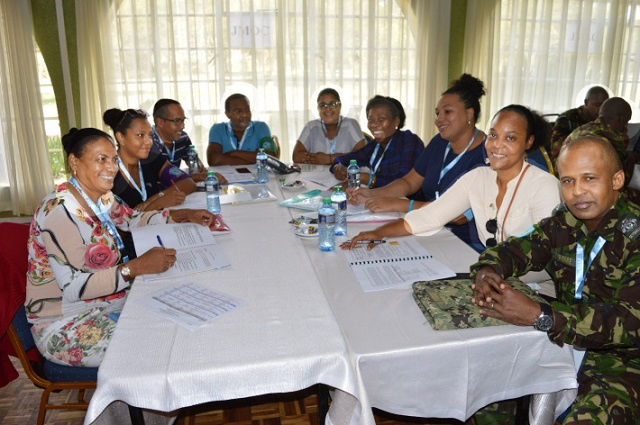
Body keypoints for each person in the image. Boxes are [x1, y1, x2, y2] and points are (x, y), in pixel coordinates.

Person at [470, 136, 640, 423]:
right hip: (561, 344)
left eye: (589, 178)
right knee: (487, 390)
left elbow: (631, 322)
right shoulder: (565, 222)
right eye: (567, 181)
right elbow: (516, 248)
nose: (578, 192)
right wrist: (488, 271)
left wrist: (542, 315)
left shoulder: (634, 236)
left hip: (622, 361)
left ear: (617, 180)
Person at [25, 127, 216, 367]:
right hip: (65, 323)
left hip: (107, 303)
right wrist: (134, 268)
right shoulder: (61, 212)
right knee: (160, 346)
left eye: (114, 159)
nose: (112, 167)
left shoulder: (100, 196)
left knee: (181, 317)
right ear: (74, 161)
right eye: (101, 160)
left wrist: (182, 215)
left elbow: (132, 219)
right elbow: (74, 288)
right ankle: (129, 402)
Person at [343, 105, 560, 251]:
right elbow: (430, 216)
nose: (497, 145)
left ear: (529, 142)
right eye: (493, 135)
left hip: (533, 286)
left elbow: (545, 253)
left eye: (510, 138)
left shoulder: (545, 186)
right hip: (495, 275)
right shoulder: (478, 177)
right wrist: (377, 233)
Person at [347, 74, 488, 248]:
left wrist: (401, 204)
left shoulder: (487, 156)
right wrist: (371, 194)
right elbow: (410, 181)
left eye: (447, 112)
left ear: (469, 113)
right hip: (426, 228)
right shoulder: (440, 142)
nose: (439, 119)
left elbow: (457, 216)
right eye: (437, 113)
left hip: (462, 243)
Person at [103, 108, 197, 211]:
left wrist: (156, 199)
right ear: (121, 137)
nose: (149, 142)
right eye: (140, 135)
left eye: (150, 135)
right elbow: (119, 220)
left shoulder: (151, 159)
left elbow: (188, 182)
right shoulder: (108, 172)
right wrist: (157, 204)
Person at [330, 95, 424, 189]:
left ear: (396, 121)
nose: (374, 124)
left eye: (381, 119)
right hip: (379, 197)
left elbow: (404, 183)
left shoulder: (409, 141)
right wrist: (337, 167)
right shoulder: (375, 145)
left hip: (408, 201)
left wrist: (365, 178)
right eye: (371, 120)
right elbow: (347, 158)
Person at [151, 98, 227, 184]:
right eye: (177, 121)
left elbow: (194, 162)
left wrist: (204, 171)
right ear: (160, 122)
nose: (182, 126)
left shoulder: (182, 137)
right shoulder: (148, 143)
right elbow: (170, 176)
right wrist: (201, 177)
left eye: (183, 120)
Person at [292, 88, 366, 164]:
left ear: (340, 106)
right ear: (318, 109)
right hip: (316, 175)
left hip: (344, 174)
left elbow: (363, 155)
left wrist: (330, 159)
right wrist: (316, 158)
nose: (328, 108)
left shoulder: (350, 124)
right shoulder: (311, 127)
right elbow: (296, 156)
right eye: (323, 105)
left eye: (333, 104)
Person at [206, 94, 273, 166]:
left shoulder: (261, 127)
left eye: (247, 110)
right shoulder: (218, 129)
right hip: (226, 176)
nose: (245, 115)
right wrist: (254, 159)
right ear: (227, 114)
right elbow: (213, 160)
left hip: (256, 175)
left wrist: (235, 153)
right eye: (238, 111)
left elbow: (271, 158)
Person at [566, 96, 632, 163]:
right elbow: (619, 172)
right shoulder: (610, 140)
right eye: (626, 122)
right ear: (620, 119)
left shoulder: (581, 129)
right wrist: (629, 157)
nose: (625, 126)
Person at [550, 86, 609, 160]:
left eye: (604, 106)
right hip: (568, 160)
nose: (601, 109)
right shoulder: (567, 118)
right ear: (586, 102)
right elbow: (555, 149)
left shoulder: (606, 120)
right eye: (597, 105)